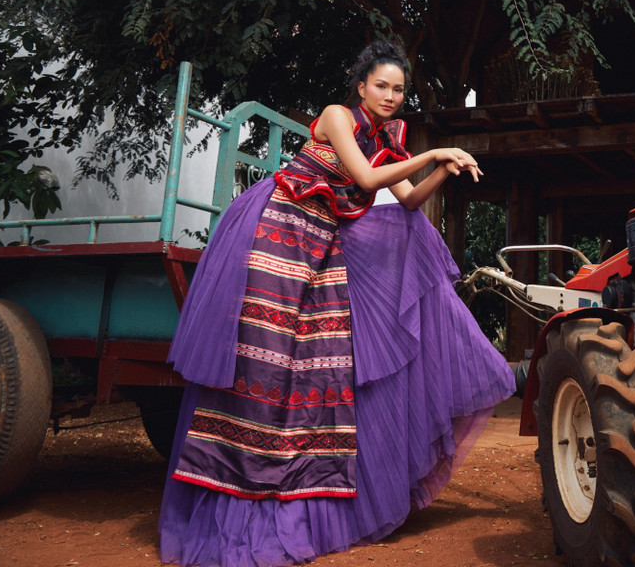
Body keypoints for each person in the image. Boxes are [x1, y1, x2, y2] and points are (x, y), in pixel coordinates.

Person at [158, 40, 516, 567]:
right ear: (361, 86)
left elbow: (410, 199)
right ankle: (236, 498)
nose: (391, 96)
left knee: (320, 373)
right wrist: (435, 152)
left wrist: (447, 167)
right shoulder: (336, 117)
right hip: (278, 232)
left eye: (399, 89)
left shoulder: (390, 138)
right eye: (382, 86)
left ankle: (308, 498)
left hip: (324, 239)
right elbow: (368, 180)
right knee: (266, 367)